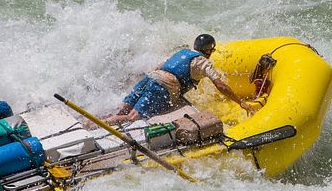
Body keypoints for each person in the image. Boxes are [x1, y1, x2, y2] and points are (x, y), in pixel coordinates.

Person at [103, 34, 251, 124]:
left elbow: (159, 66)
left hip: (150, 78)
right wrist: (241, 103)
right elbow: (221, 86)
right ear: (208, 51)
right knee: (131, 117)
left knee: (122, 109)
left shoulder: (182, 52)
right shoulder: (203, 61)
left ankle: (92, 123)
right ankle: (106, 123)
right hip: (161, 86)